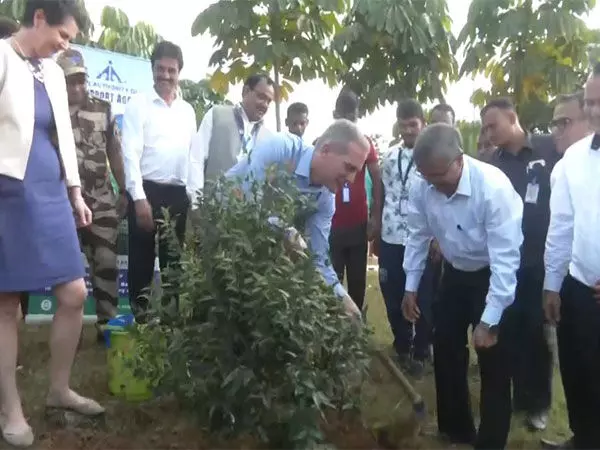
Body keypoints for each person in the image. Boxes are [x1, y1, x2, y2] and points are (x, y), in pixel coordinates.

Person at [0, 1, 105, 447]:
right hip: (7, 192)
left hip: (51, 189)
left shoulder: (55, 73)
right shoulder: (2, 57)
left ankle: (59, 389)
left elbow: (61, 134)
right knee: (5, 305)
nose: (65, 45)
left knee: (75, 292)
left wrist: (76, 193)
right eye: (63, 35)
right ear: (38, 17)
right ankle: (11, 407)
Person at [402, 123, 523, 449]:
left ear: (459, 160)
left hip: (491, 275)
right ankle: (456, 429)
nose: (434, 186)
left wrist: (490, 318)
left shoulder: (493, 189)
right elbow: (417, 235)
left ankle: (490, 441)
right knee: (445, 347)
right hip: (454, 273)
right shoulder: (423, 184)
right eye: (428, 179)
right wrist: (410, 285)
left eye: (439, 177)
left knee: (494, 361)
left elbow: (506, 260)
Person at [226, 119, 371, 319]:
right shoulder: (279, 149)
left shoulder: (325, 200)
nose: (351, 179)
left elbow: (317, 258)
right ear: (326, 150)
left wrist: (343, 300)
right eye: (349, 168)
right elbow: (245, 202)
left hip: (256, 248)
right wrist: (287, 232)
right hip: (222, 227)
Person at [482, 98, 557, 431]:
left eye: (492, 125)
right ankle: (518, 396)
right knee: (509, 330)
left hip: (540, 261)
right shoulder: (490, 164)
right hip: (504, 263)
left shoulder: (548, 148)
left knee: (536, 334)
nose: (488, 132)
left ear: (513, 118)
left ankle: (539, 402)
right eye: (484, 127)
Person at [543, 67, 600, 450]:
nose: (595, 111)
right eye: (590, 102)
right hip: (579, 286)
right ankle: (584, 438)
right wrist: (552, 284)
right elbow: (561, 226)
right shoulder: (573, 160)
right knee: (579, 372)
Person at [121, 41, 197, 322]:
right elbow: (130, 153)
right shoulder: (138, 104)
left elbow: (192, 157)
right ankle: (141, 318)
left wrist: (194, 197)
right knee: (140, 258)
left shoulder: (187, 111)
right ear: (152, 69)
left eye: (172, 70)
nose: (165, 75)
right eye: (160, 69)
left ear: (180, 72)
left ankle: (169, 320)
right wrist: (138, 197)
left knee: (172, 259)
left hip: (178, 193)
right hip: (145, 191)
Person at [57, 48, 126, 341]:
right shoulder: (50, 112)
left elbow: (115, 151)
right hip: (63, 203)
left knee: (107, 264)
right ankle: (65, 330)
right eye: (70, 81)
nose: (77, 87)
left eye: (81, 80)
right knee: (65, 272)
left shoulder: (103, 108)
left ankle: (106, 328)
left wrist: (124, 189)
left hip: (102, 200)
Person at [378, 99, 439, 378]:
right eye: (403, 126)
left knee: (423, 296)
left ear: (423, 124)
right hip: (391, 235)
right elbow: (382, 194)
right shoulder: (389, 157)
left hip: (422, 238)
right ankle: (402, 344)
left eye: (413, 125)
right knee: (392, 293)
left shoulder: (433, 158)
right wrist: (374, 228)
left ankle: (421, 350)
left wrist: (439, 237)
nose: (408, 131)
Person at [327, 89, 382, 311]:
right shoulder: (324, 143)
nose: (349, 121)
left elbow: (377, 181)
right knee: (333, 279)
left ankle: (356, 326)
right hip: (331, 224)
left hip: (359, 224)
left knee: (358, 281)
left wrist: (375, 217)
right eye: (344, 115)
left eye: (353, 117)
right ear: (334, 114)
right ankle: (334, 327)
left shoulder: (365, 143)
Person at [188, 73, 275, 206]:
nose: (265, 105)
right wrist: (196, 204)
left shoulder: (268, 138)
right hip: (212, 212)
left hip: (248, 217)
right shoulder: (217, 115)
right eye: (261, 97)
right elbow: (196, 160)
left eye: (269, 101)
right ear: (246, 91)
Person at [549, 92, 592, 188]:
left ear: (590, 122)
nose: (554, 131)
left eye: (563, 122)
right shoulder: (560, 171)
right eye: (554, 124)